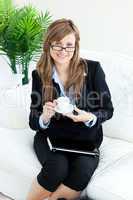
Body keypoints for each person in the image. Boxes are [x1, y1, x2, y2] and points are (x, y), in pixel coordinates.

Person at [27, 18, 114, 200]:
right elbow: (33, 121)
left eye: (69, 45)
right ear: (48, 45)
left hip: (85, 142)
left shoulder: (93, 69)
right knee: (57, 168)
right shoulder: (39, 75)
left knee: (82, 172)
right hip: (52, 139)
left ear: (76, 46)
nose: (63, 51)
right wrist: (44, 117)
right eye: (57, 45)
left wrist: (89, 117)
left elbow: (107, 109)